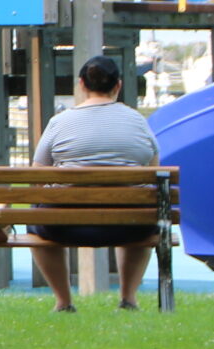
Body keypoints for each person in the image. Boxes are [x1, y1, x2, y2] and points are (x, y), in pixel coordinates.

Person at [26, 54, 161, 313]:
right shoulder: (137, 122)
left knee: (36, 223)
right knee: (141, 212)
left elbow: (38, 175)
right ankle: (128, 299)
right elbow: (154, 170)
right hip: (130, 227)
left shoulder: (60, 122)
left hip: (66, 227)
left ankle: (64, 302)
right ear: (118, 86)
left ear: (81, 84)